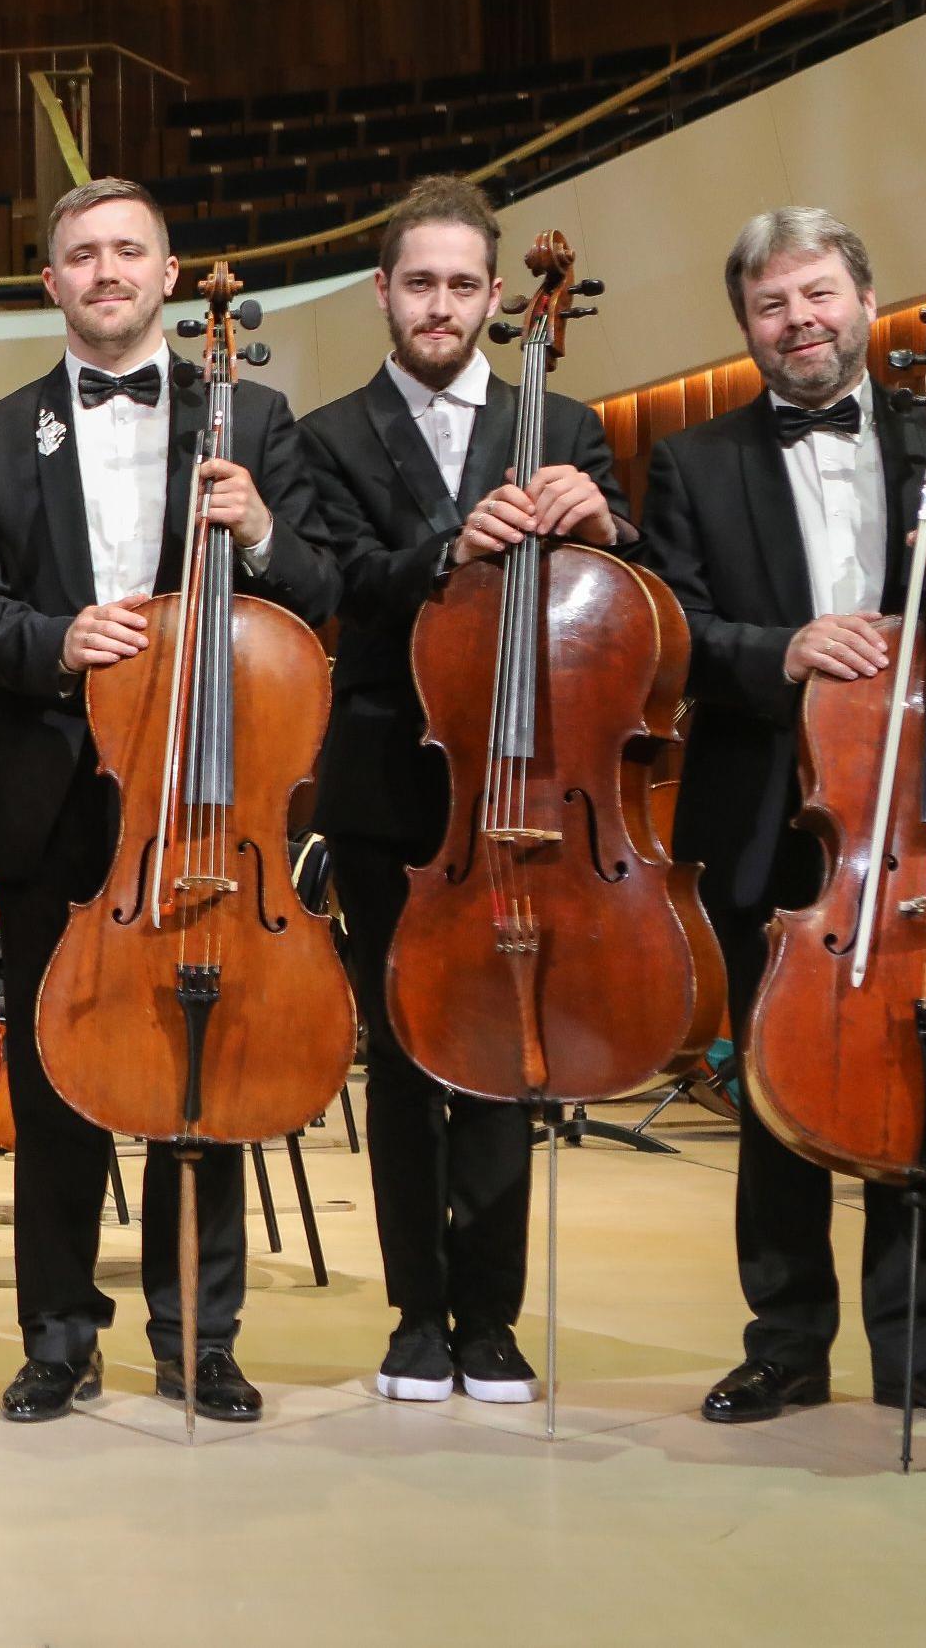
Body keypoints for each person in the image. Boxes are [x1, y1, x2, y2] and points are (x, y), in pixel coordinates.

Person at [641, 206, 926, 1436]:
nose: (801, 323)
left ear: (865, 301)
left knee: (923, 1072)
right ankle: (784, 1343)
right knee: (780, 1080)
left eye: (819, 295)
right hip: (776, 804)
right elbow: (671, 636)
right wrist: (784, 650)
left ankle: (925, 1348)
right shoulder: (695, 459)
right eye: (773, 305)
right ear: (746, 326)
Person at [0, 176, 338, 1425]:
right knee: (54, 1068)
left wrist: (262, 531)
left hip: (211, 798)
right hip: (55, 789)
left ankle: (198, 1335)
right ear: (50, 282)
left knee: (200, 1057)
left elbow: (319, 593)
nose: (106, 271)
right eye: (80, 255)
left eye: (129, 251)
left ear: (170, 274)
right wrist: (58, 639)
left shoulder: (259, 417)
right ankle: (58, 1336)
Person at [296, 176, 630, 1405]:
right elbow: (334, 577)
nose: (440, 304)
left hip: (536, 781)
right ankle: (413, 1317)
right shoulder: (326, 435)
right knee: (403, 1043)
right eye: (417, 282)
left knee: (505, 1041)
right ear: (384, 292)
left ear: (500, 298)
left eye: (461, 284)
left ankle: (489, 1314)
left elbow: (620, 590)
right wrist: (448, 549)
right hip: (392, 780)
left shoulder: (570, 424)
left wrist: (604, 519)